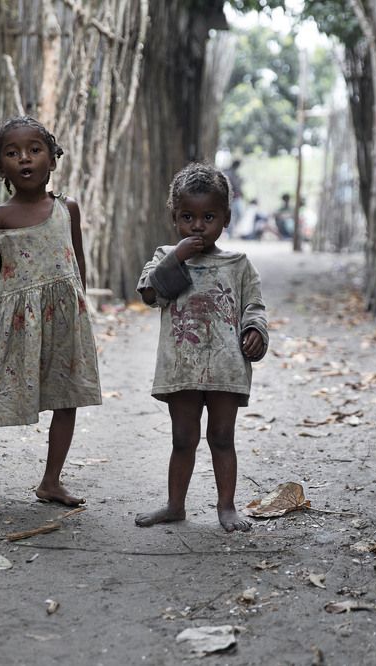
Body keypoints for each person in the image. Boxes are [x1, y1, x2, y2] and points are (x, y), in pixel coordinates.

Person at [0, 116, 102, 511]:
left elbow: (77, 263)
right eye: (12, 153)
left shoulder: (67, 209)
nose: (24, 159)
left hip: (63, 318)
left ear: (53, 160)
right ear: (0, 167)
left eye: (34, 150)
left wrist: (80, 313)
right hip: (12, 318)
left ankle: (51, 481)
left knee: (66, 395)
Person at [135, 163, 269, 532]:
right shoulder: (165, 256)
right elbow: (151, 294)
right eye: (187, 217)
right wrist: (176, 257)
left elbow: (253, 306)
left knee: (223, 438)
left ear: (225, 217)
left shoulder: (239, 265)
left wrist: (255, 330)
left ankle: (226, 507)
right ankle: (174, 505)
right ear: (174, 217)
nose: (197, 226)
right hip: (181, 367)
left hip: (227, 368)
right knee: (183, 439)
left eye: (208, 217)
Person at [225, 158, 245, 237]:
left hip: (236, 197)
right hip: (231, 198)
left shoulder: (234, 173)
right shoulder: (229, 173)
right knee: (231, 215)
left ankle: (232, 231)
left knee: (238, 214)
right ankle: (230, 233)